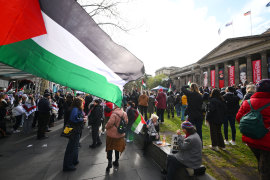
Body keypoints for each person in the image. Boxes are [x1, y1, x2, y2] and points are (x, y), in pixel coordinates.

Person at [236, 79, 270, 180]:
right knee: (265, 168)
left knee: (262, 162)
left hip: (251, 139)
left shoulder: (247, 102)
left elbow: (238, 118)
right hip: (267, 142)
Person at [63, 97, 86, 172]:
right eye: (82, 102)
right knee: (71, 148)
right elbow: (73, 119)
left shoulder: (76, 108)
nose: (83, 104)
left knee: (74, 146)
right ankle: (67, 165)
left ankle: (73, 161)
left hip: (77, 130)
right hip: (74, 130)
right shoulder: (75, 109)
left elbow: (77, 117)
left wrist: (83, 118)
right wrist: (82, 119)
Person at [105, 106, 128, 172]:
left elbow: (109, 123)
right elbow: (126, 122)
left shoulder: (114, 114)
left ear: (115, 106)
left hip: (111, 135)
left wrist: (106, 126)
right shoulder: (124, 113)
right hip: (120, 135)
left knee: (110, 148)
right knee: (117, 148)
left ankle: (109, 162)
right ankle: (116, 161)